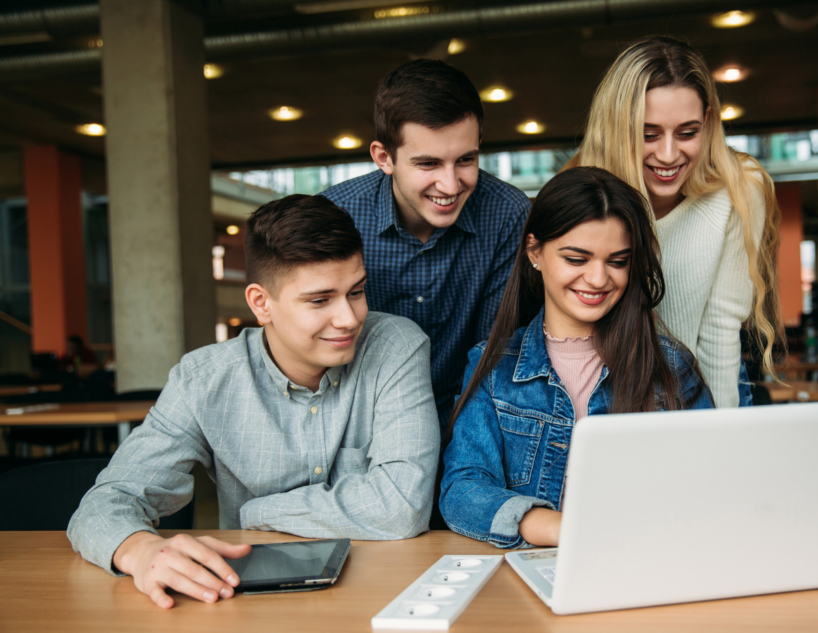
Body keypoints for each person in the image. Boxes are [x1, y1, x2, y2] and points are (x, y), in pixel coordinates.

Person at [68, 195, 440, 609]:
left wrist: (258, 511)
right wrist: (138, 550)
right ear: (261, 303)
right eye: (320, 300)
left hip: (381, 589)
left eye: (357, 291)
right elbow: (105, 503)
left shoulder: (395, 346)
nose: (350, 318)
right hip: (246, 602)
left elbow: (402, 507)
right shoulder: (203, 379)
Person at [440, 167, 714, 549]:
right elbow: (462, 490)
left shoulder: (671, 367)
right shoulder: (493, 366)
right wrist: (558, 528)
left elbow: (711, 485)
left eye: (617, 261)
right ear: (534, 251)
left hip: (650, 562)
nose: (599, 279)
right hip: (538, 569)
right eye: (576, 258)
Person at [566, 36, 784, 408]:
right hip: (610, 394)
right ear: (619, 127)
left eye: (688, 132)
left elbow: (720, 334)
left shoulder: (740, 186)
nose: (668, 155)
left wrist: (716, 440)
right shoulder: (587, 191)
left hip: (709, 392)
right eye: (648, 134)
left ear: (708, 121)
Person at [320, 59, 531, 424]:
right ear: (384, 157)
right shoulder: (334, 215)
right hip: (357, 424)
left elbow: (495, 353)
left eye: (466, 159)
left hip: (468, 419)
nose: (451, 185)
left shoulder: (509, 214)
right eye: (428, 164)